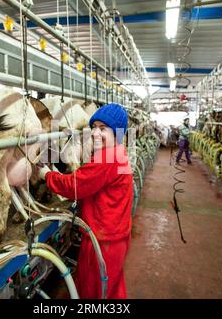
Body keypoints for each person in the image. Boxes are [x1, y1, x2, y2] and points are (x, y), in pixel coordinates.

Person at [39, 103, 133, 299]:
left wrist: (47, 174)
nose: (96, 133)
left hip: (104, 238)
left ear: (117, 132)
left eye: (103, 128)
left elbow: (75, 186)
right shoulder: (119, 152)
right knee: (110, 286)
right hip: (116, 234)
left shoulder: (107, 159)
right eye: (94, 127)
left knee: (94, 289)